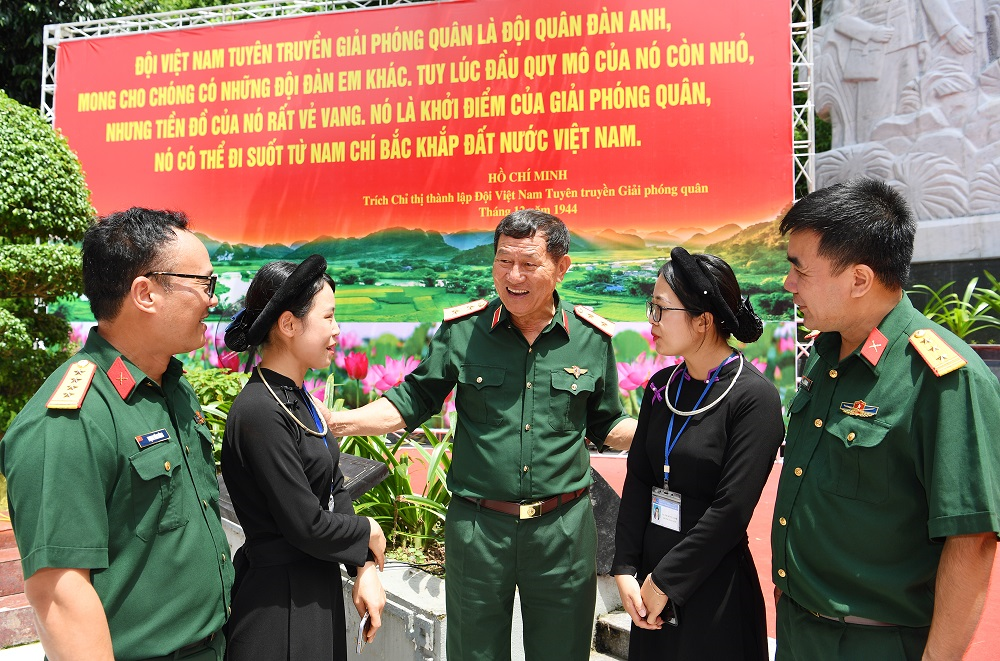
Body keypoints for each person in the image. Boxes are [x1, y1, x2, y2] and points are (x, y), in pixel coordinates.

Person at [325, 209, 636, 660]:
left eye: (529, 264)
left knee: (562, 652)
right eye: (503, 261)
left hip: (562, 532)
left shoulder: (590, 339)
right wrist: (338, 421)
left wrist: (665, 433)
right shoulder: (463, 332)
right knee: (473, 653)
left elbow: (607, 423)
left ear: (561, 267)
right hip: (478, 529)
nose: (513, 276)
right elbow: (413, 400)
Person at [771, 177, 1000, 660]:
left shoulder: (943, 378)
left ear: (859, 279)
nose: (788, 284)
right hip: (799, 631)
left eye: (800, 271)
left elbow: (971, 539)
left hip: (874, 643)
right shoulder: (827, 353)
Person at [0, 208, 233, 660]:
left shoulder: (172, 387)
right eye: (204, 284)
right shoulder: (71, 418)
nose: (213, 300)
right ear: (145, 293)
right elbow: (59, 593)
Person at [611, 247, 785, 660]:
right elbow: (638, 479)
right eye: (650, 307)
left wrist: (665, 582)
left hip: (712, 585)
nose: (649, 321)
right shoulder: (660, 387)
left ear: (703, 321)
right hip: (649, 587)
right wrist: (624, 567)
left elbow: (731, 510)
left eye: (660, 309)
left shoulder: (753, 398)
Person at [221, 255, 386, 660]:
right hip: (277, 606)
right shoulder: (260, 410)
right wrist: (367, 531)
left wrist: (363, 566)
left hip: (315, 589)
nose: (337, 330)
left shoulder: (296, 398)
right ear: (289, 324)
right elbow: (305, 524)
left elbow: (333, 486)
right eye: (328, 317)